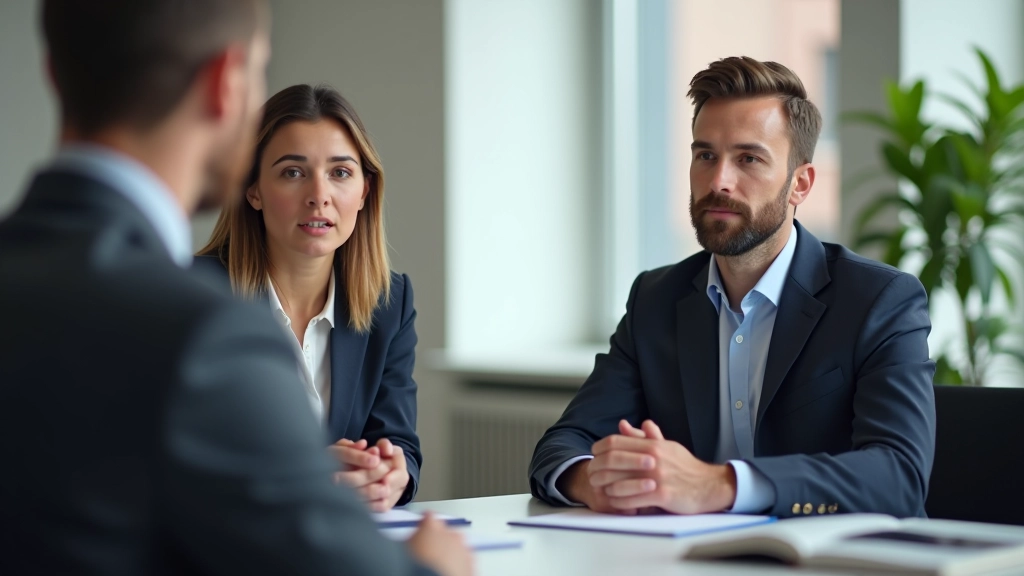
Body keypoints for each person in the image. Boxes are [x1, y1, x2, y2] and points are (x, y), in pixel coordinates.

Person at [0, 1, 471, 575]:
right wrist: (434, 566)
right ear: (226, 83)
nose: (318, 193)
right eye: (259, 72)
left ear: (54, 73)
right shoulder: (201, 327)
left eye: (341, 172)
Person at [529, 56, 936, 519]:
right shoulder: (656, 299)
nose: (719, 181)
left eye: (749, 159)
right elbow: (563, 445)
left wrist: (721, 484)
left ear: (799, 184)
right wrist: (593, 481)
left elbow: (900, 476)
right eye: (705, 155)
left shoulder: (879, 301)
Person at [197, 84, 420, 512]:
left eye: (340, 173)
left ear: (364, 191)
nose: (319, 195)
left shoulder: (389, 305)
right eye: (293, 172)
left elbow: (400, 443)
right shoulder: (194, 296)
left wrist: (391, 474)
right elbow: (168, 457)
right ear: (253, 190)